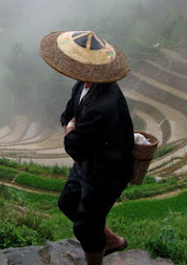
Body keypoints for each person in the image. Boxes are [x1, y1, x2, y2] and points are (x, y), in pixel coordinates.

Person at [39, 30, 134, 265]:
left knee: (86, 227)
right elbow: (68, 113)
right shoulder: (83, 84)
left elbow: (74, 146)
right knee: (68, 202)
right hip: (88, 164)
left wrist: (71, 130)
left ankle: (97, 255)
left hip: (106, 172)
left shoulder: (103, 103)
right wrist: (70, 126)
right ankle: (113, 241)